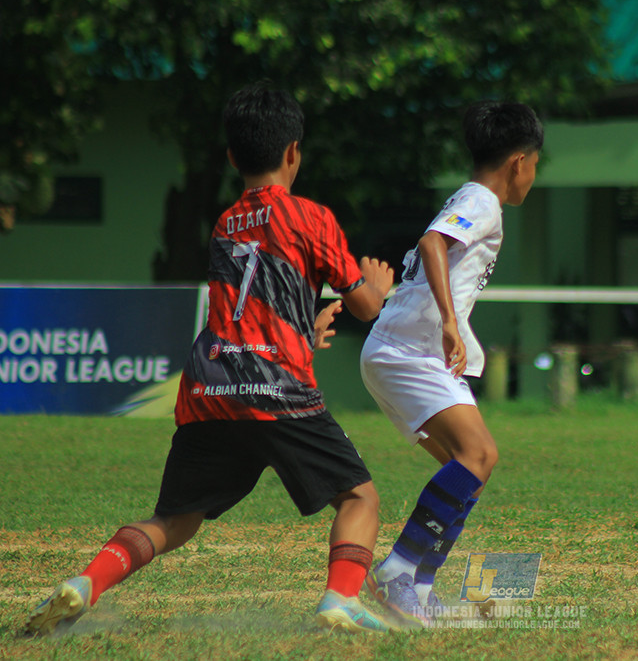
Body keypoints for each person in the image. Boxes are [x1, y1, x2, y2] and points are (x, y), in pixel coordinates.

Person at [25, 82, 396, 636]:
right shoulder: (310, 217)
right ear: (293, 151)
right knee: (359, 496)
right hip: (275, 387)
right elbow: (364, 306)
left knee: (172, 520)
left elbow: (254, 302)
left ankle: (86, 583)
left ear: (231, 157)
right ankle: (340, 599)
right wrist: (378, 286)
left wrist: (306, 326)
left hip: (209, 388)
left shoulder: (225, 224)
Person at [359, 101, 543, 626]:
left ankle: (416, 586)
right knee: (477, 453)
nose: (533, 174)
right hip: (408, 352)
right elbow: (433, 242)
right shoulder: (482, 200)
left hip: (403, 352)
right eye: (535, 163)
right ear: (518, 162)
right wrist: (446, 320)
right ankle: (397, 570)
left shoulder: (474, 198)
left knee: (470, 470)